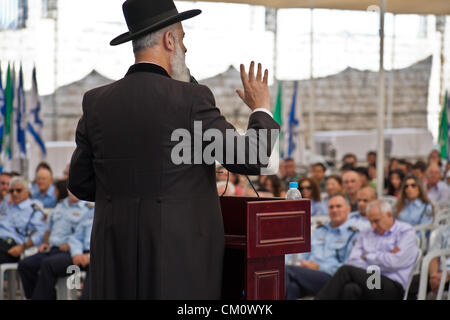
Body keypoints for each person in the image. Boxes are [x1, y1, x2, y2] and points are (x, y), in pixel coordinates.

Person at [67, 0, 279, 299]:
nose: (185, 48)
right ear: (170, 40)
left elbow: (81, 183)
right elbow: (253, 156)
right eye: (182, 38)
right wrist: (261, 108)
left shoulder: (95, 101)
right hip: (179, 259)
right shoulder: (190, 99)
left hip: (113, 257)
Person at [316, 199, 419, 300]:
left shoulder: (405, 232)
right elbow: (353, 261)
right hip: (369, 280)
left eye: (376, 221)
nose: (373, 226)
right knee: (351, 289)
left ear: (389, 214)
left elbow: (394, 262)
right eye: (370, 222)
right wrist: (383, 258)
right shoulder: (366, 233)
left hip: (393, 285)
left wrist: (367, 256)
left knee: (345, 270)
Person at [18, 191, 90, 299]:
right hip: (53, 248)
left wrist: (74, 249)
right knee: (25, 265)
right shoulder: (60, 206)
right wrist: (45, 243)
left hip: (68, 250)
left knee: (48, 264)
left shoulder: (87, 209)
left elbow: (77, 236)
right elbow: (49, 229)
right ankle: (39, 296)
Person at [285, 194, 359, 299]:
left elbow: (348, 267)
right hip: (307, 274)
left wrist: (319, 267)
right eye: (331, 207)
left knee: (286, 271)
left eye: (339, 206)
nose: (334, 210)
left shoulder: (352, 234)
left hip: (332, 278)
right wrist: (302, 265)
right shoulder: (320, 230)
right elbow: (304, 257)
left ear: (348, 209)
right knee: (292, 287)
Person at [31, 206, 94, 300]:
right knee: (49, 264)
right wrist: (77, 253)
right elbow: (76, 237)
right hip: (80, 253)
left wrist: (90, 256)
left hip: (100, 255)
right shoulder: (91, 212)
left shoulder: (115, 211)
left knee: (97, 269)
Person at [0, 177, 47, 264]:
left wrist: (23, 247)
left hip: (11, 245)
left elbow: (42, 232)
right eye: (11, 191)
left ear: (27, 192)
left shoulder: (33, 209)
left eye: (18, 190)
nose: (14, 193)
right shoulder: (7, 206)